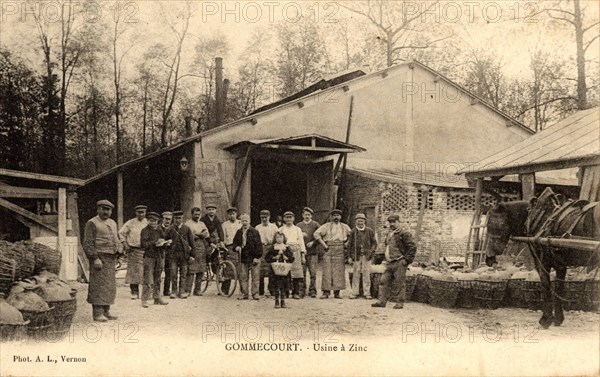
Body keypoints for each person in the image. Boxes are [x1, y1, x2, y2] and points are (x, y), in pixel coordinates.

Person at [83, 200, 121, 322]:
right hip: (99, 257)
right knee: (98, 285)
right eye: (103, 209)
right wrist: (95, 258)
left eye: (108, 209)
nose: (106, 212)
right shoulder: (92, 223)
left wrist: (118, 254)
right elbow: (88, 243)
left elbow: (116, 239)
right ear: (98, 209)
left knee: (109, 286)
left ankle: (106, 311)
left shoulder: (113, 223)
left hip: (110, 257)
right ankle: (97, 313)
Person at [372, 214, 416, 309]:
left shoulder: (404, 234)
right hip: (389, 262)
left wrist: (406, 260)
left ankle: (400, 303)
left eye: (394, 222)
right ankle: (382, 301)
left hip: (399, 261)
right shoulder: (390, 234)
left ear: (399, 222)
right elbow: (387, 247)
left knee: (399, 283)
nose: (392, 224)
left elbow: (412, 247)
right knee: (383, 281)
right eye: (390, 222)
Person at [314, 209, 351, 299]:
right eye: (334, 215)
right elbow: (316, 234)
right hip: (328, 248)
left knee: (338, 270)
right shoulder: (326, 226)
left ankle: (337, 292)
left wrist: (347, 243)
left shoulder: (345, 227)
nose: (336, 217)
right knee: (327, 270)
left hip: (340, 248)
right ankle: (326, 292)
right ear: (331, 217)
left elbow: (352, 235)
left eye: (338, 216)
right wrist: (323, 244)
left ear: (340, 217)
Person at [140, 212, 170, 308]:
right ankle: (144, 299)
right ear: (148, 221)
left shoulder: (159, 230)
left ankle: (157, 298)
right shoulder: (144, 230)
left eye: (155, 221)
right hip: (149, 257)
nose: (153, 223)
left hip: (159, 256)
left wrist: (165, 243)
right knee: (148, 279)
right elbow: (143, 244)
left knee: (158, 279)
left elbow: (163, 240)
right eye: (151, 221)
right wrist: (155, 243)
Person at [119, 205, 148, 300]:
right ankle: (134, 292)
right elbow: (121, 233)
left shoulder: (147, 223)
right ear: (136, 213)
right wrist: (125, 243)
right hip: (134, 250)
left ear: (145, 212)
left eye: (143, 212)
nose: (141, 214)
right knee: (134, 272)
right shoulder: (130, 223)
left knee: (146, 271)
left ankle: (146, 293)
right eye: (139, 212)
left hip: (146, 250)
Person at [165, 211, 195, 299]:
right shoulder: (170, 229)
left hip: (184, 254)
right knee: (173, 273)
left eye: (180, 218)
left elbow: (192, 243)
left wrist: (192, 255)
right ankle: (174, 291)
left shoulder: (187, 229)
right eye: (176, 218)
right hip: (173, 255)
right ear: (174, 219)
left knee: (183, 273)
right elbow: (164, 239)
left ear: (183, 218)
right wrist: (167, 243)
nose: (178, 220)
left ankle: (181, 291)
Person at [347, 213, 378, 299]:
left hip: (366, 256)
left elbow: (374, 243)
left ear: (365, 221)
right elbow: (349, 245)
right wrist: (349, 256)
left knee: (366, 274)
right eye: (358, 221)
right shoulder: (353, 232)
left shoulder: (369, 231)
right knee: (356, 274)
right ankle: (354, 292)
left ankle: (367, 293)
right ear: (355, 222)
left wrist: (371, 252)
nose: (360, 223)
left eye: (362, 221)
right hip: (356, 256)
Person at [233, 214, 263, 300]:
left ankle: (255, 293)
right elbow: (234, 243)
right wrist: (236, 247)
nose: (244, 223)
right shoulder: (239, 232)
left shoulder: (254, 231)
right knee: (243, 276)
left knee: (255, 276)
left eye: (246, 221)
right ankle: (244, 293)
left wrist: (257, 257)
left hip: (254, 257)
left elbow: (259, 245)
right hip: (243, 257)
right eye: (243, 221)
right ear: (240, 222)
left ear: (249, 221)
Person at [278, 212, 306, 299]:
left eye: (290, 217)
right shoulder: (281, 229)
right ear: (284, 219)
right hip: (285, 250)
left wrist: (303, 255)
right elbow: (278, 241)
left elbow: (301, 242)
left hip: (296, 250)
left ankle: (296, 292)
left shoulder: (297, 229)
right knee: (285, 272)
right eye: (287, 218)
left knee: (296, 273)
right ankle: (285, 292)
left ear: (293, 219)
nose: (289, 219)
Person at [265, 232, 294, 309]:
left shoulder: (286, 247)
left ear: (284, 238)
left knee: (283, 287)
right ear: (275, 239)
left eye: (281, 237)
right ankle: (277, 301)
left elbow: (292, 258)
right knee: (276, 286)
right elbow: (267, 258)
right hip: (275, 271)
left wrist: (286, 258)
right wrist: (274, 258)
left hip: (284, 270)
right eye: (277, 237)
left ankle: (283, 301)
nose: (279, 239)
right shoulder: (273, 247)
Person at [185, 207, 210, 296]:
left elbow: (206, 234)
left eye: (198, 214)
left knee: (201, 269)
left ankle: (197, 290)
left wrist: (198, 234)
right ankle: (187, 290)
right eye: (195, 214)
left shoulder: (202, 224)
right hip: (191, 246)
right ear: (191, 214)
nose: (197, 216)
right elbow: (188, 236)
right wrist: (199, 234)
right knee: (191, 270)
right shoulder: (187, 224)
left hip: (201, 246)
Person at [296, 207, 320, 298]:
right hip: (302, 252)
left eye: (309, 215)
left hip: (313, 252)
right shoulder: (298, 225)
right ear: (302, 215)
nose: (307, 216)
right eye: (305, 214)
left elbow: (320, 236)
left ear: (311, 216)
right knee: (302, 272)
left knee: (313, 273)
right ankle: (302, 290)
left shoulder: (316, 225)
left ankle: (313, 290)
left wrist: (313, 242)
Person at [255, 209, 278, 297]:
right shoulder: (257, 227)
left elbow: (277, 239)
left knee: (271, 269)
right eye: (262, 217)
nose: (264, 219)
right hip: (261, 248)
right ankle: (260, 290)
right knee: (260, 270)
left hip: (270, 248)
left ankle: (271, 289)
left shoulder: (274, 227)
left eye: (266, 217)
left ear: (269, 217)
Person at [221, 207, 242, 294]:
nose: (232, 216)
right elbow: (224, 236)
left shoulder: (240, 223)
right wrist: (223, 243)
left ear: (236, 214)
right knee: (228, 268)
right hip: (229, 247)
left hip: (239, 247)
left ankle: (242, 291)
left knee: (240, 268)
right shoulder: (225, 224)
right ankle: (225, 290)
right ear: (228, 215)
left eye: (233, 214)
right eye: (230, 214)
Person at [161, 211, 174, 296]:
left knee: (169, 272)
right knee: (157, 272)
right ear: (162, 219)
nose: (167, 221)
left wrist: (171, 241)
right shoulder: (158, 228)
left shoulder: (173, 229)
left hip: (170, 253)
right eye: (166, 219)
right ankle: (156, 291)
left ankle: (166, 290)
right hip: (159, 253)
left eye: (169, 219)